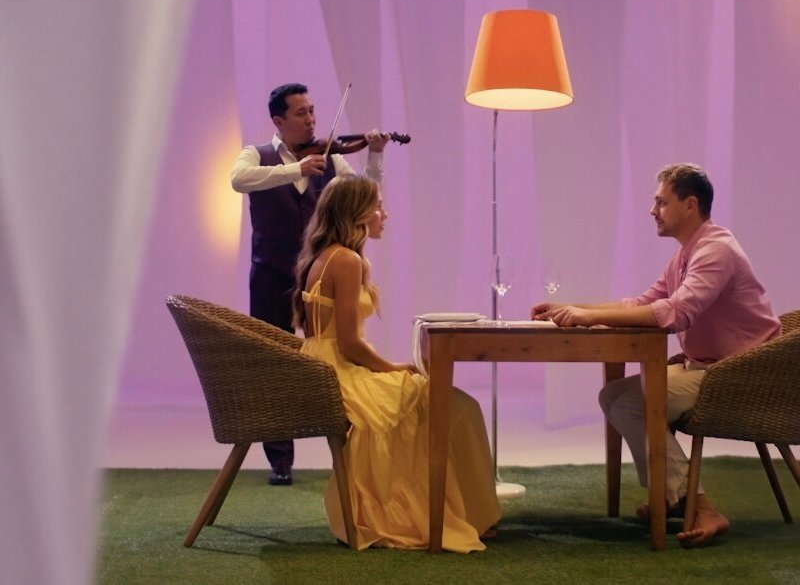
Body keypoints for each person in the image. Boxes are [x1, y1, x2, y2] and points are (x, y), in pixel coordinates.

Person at [531, 163, 781, 548]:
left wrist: (588, 317)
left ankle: (699, 506)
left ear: (690, 205)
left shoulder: (716, 250)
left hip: (742, 375)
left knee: (636, 403)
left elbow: (676, 313)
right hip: (711, 368)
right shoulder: (687, 254)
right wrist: (572, 308)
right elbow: (642, 303)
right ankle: (673, 496)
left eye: (662, 202)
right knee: (613, 395)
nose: (653, 210)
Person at [292, 174, 500, 552]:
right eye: (378, 207)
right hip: (337, 372)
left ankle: (462, 508)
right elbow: (350, 344)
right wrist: (393, 368)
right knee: (452, 406)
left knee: (451, 404)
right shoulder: (347, 260)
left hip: (324, 365)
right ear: (357, 212)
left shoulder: (327, 256)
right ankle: (460, 513)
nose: (384, 215)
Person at [231, 83, 390, 485]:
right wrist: (296, 169)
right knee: (272, 362)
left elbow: (364, 198)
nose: (311, 120)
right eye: (301, 113)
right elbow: (239, 179)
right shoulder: (258, 155)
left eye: (313, 111)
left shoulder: (331, 157)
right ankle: (280, 460)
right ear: (278, 121)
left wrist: (375, 154)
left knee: (333, 353)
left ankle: (350, 444)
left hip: (319, 277)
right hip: (271, 275)